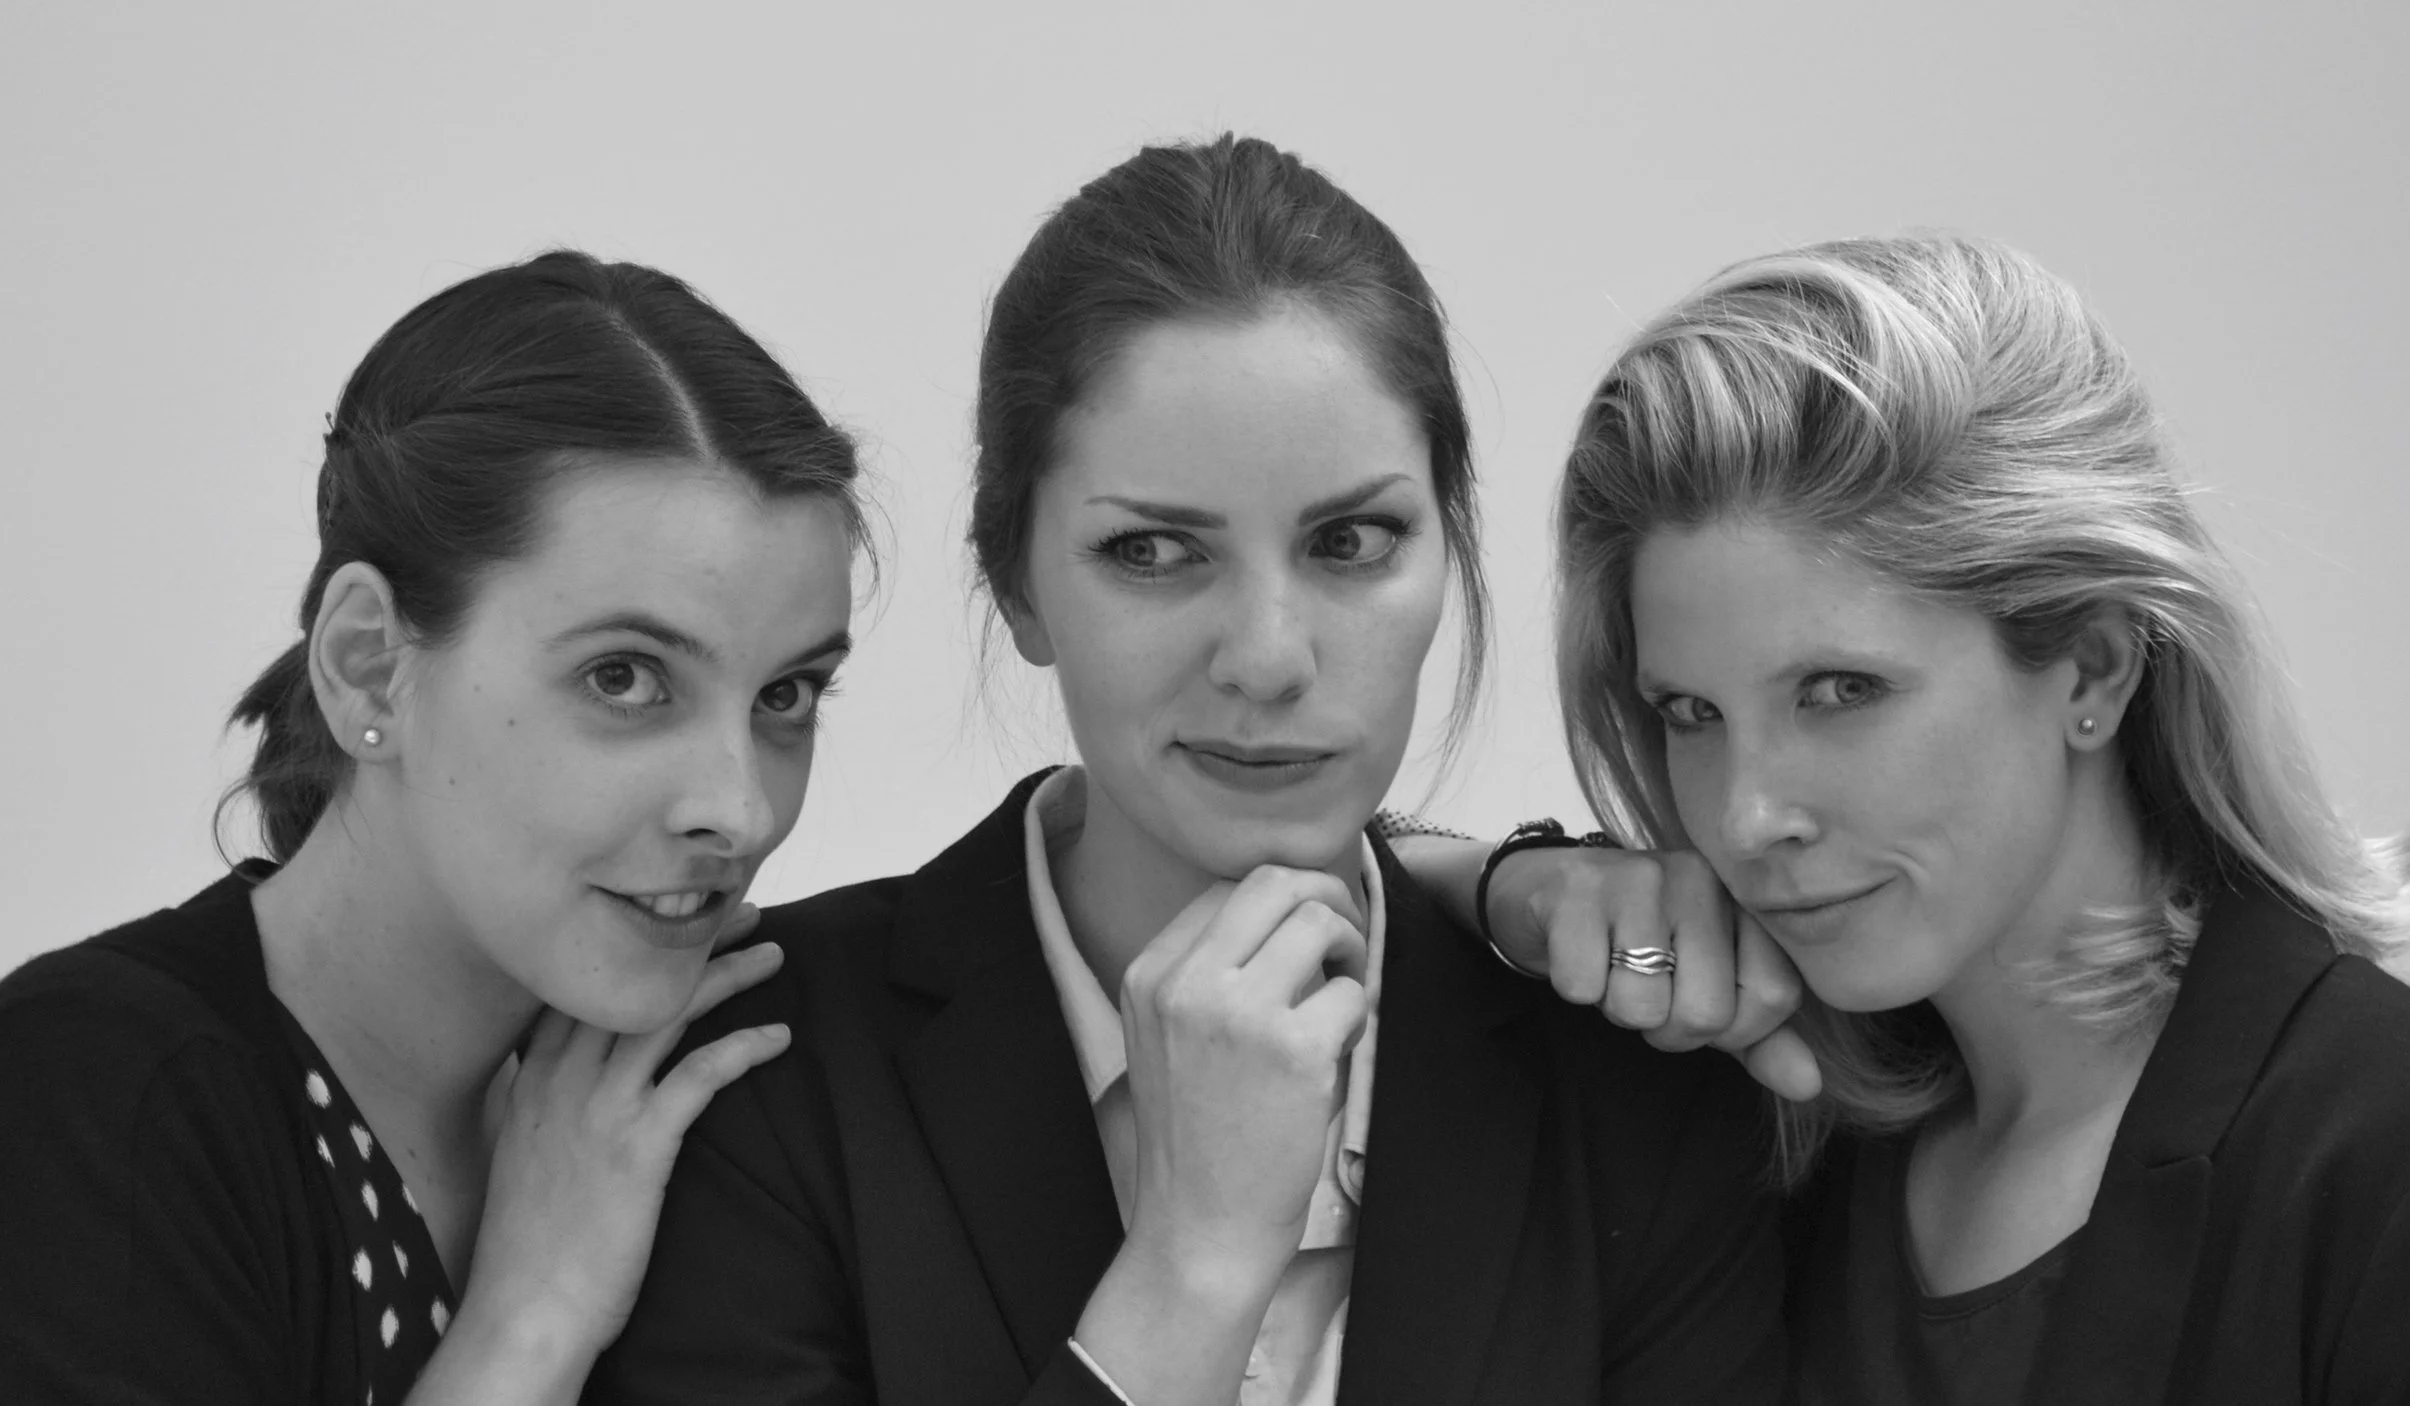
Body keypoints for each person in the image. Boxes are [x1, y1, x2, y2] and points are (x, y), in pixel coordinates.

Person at [594, 135, 1788, 1406]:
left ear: (1449, 552)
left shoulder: (1638, 1093)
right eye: (1155, 552)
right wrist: (1193, 1267)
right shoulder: (749, 1081)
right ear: (1017, 588)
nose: (1268, 659)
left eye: (1351, 539)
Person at [1501, 231, 2410, 1402]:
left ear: (2090, 666)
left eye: (1839, 692)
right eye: (1690, 712)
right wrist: (1512, 887)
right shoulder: (1764, 1148)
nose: (1747, 812)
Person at [0, 251, 870, 1406]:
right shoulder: (96, 1098)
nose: (740, 807)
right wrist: (531, 1320)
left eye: (784, 696)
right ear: (368, 666)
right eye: (625, 676)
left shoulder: (690, 1107)